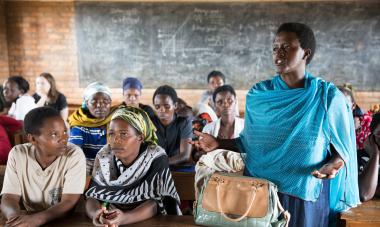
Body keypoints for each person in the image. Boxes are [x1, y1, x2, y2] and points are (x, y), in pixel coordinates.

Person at [191, 22, 359, 227]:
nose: (279, 52)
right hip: (259, 192)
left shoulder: (327, 97)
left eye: (287, 47)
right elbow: (249, 144)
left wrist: (333, 164)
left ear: (306, 53)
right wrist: (219, 143)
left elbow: (342, 149)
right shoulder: (259, 96)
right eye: (275, 47)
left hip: (303, 195)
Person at [85, 106, 181, 226]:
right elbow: (92, 196)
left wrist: (124, 218)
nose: (116, 140)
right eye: (111, 134)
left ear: (140, 137)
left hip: (148, 220)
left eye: (123, 134)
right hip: (110, 218)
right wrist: (97, 214)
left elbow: (156, 201)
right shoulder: (104, 156)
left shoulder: (155, 157)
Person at [1, 107, 86, 226]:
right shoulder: (18, 154)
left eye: (65, 132)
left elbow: (69, 201)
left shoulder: (74, 155)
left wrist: (39, 219)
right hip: (30, 218)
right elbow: (9, 197)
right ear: (32, 139)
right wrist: (15, 219)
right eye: (54, 134)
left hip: (66, 220)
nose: (64, 139)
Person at [68, 82, 116, 175]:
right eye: (94, 101)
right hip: (88, 172)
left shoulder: (117, 121)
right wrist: (80, 163)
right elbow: (73, 152)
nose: (99, 105)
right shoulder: (79, 125)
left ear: (110, 103)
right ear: (86, 103)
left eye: (105, 101)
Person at [151, 85, 193, 167]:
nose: (162, 110)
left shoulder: (184, 123)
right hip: (155, 168)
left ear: (175, 105)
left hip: (178, 168)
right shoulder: (149, 123)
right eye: (157, 107)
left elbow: (185, 155)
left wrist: (162, 163)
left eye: (167, 106)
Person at [338, 85, 372, 150]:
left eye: (345, 103)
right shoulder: (331, 120)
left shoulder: (366, 122)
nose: (341, 107)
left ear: (353, 105)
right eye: (337, 103)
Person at [358, 112, 380, 202]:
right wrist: (375, 154)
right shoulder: (358, 158)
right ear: (372, 136)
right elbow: (364, 194)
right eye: (379, 133)